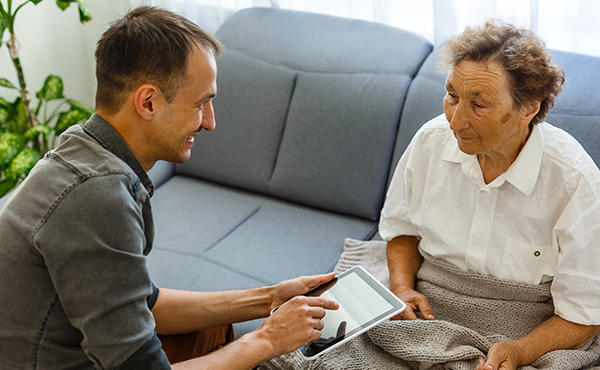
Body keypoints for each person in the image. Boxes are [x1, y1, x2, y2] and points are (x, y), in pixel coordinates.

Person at [0, 6, 338, 369]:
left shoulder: (83, 147)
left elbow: (144, 302)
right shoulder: (96, 196)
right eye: (201, 103)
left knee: (216, 330)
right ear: (148, 102)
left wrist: (268, 298)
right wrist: (269, 338)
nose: (210, 123)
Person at [379, 19, 600, 370]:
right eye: (452, 95)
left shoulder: (575, 181)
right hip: (429, 307)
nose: (454, 121)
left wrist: (520, 351)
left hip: (523, 323)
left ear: (528, 108)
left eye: (478, 105)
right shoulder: (430, 140)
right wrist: (402, 288)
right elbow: (402, 230)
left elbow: (584, 313)